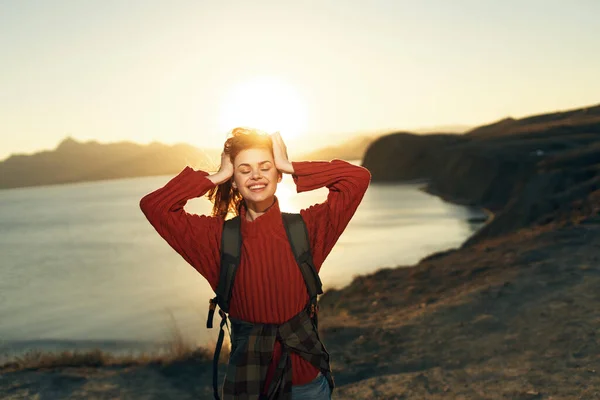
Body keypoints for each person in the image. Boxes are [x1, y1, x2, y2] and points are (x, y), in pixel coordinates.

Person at [139, 127, 371, 399]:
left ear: (278, 174)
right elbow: (154, 206)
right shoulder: (214, 239)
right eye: (244, 169)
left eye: (266, 167)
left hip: (306, 385)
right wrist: (216, 177)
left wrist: (291, 165)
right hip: (250, 388)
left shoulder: (306, 229)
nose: (256, 175)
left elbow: (357, 178)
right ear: (234, 180)